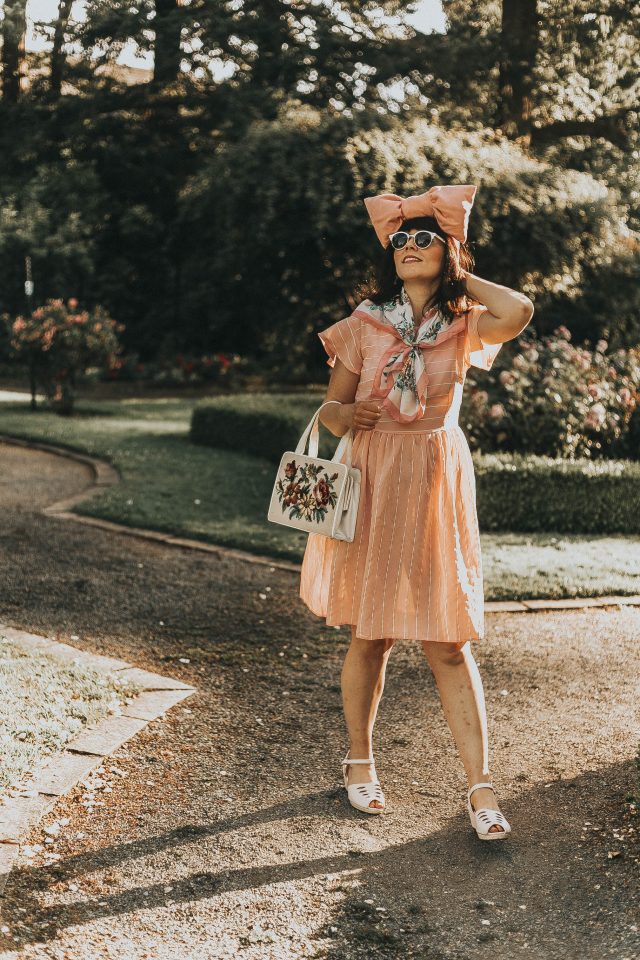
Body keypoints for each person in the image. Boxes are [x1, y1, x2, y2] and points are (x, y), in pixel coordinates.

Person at [299, 184, 534, 840]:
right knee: (370, 634)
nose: (406, 246)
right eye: (399, 239)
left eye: (422, 237)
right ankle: (359, 761)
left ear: (448, 249)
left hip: (433, 481)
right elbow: (330, 409)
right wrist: (352, 415)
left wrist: (460, 272)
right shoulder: (365, 323)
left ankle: (481, 789)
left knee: (448, 642)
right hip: (373, 476)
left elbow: (518, 310)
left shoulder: (463, 326)